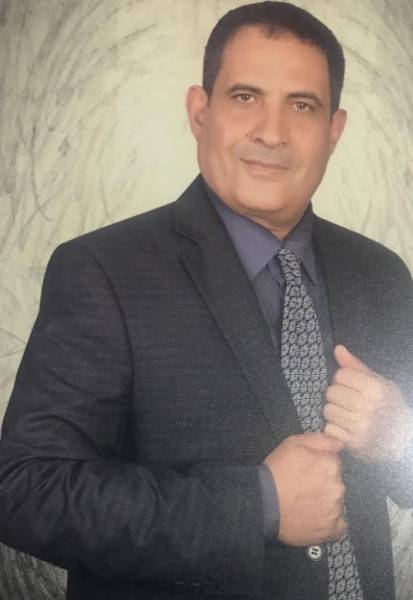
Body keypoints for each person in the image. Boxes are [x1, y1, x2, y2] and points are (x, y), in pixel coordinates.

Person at [0, 2, 412, 599]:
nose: (272, 132)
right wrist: (259, 505)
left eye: (302, 105)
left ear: (334, 130)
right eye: (245, 96)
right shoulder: (102, 270)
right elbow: (25, 491)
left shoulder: (382, 274)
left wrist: (399, 439)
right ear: (200, 112)